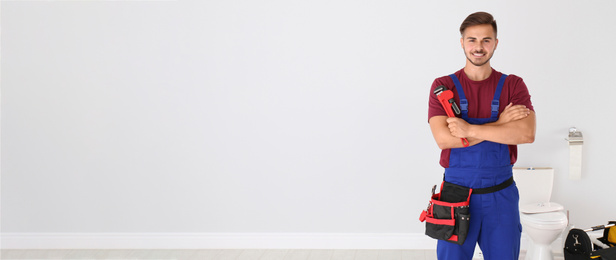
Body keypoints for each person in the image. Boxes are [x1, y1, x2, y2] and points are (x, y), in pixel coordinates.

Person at [427, 12, 536, 260]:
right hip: (455, 196)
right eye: (472, 40)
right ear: (462, 42)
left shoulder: (513, 85)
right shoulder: (443, 86)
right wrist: (500, 124)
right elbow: (444, 140)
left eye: (486, 40)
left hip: (501, 196)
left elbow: (526, 133)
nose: (479, 47)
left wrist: (468, 130)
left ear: (496, 43)